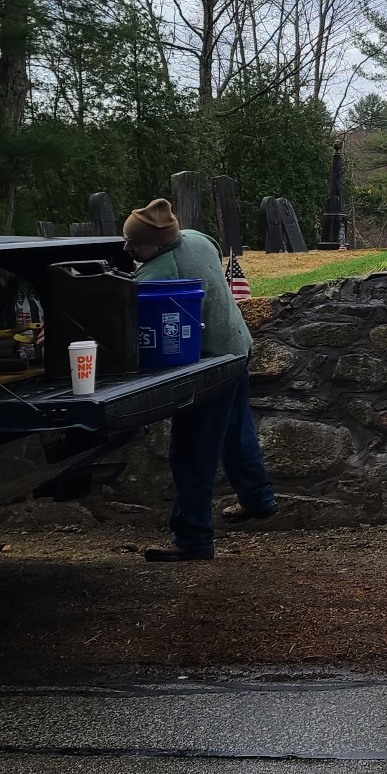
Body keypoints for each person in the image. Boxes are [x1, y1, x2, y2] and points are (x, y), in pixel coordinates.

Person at [123, 197, 276, 562]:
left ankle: (193, 537)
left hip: (208, 364)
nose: (126, 247)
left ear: (158, 245)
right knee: (235, 431)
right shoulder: (197, 238)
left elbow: (122, 311)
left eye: (134, 243)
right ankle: (258, 498)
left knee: (191, 450)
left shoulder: (159, 271)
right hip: (239, 347)